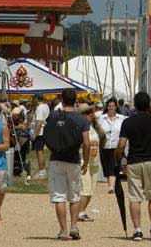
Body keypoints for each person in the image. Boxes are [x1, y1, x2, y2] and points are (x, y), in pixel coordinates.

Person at [117, 92, 151, 241]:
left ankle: (137, 230)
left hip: (134, 161)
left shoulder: (127, 122)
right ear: (148, 104)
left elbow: (121, 145)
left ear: (135, 105)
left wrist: (121, 158)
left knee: (135, 197)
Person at [47, 89, 90, 241]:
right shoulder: (82, 119)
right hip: (73, 159)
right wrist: (85, 161)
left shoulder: (53, 115)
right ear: (75, 100)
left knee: (59, 196)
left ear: (62, 100)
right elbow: (86, 143)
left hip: (56, 158)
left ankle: (63, 230)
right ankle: (74, 226)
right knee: (74, 195)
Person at [99, 98, 126, 194]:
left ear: (116, 107)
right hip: (104, 146)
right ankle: (111, 184)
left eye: (113, 106)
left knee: (113, 166)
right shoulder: (101, 118)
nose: (111, 107)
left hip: (116, 146)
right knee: (106, 167)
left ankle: (111, 187)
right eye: (109, 106)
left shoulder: (122, 118)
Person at [77, 103, 100, 222]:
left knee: (91, 188)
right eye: (88, 113)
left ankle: (82, 211)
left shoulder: (92, 127)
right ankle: (79, 212)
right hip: (83, 160)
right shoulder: (79, 127)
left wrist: (97, 124)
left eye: (91, 112)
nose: (91, 114)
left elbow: (103, 136)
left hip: (94, 160)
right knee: (85, 188)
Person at [31, 94, 50, 180]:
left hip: (40, 132)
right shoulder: (46, 106)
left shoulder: (39, 108)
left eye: (33, 99)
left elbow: (39, 121)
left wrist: (35, 133)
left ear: (36, 99)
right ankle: (42, 171)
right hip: (44, 131)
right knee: (40, 151)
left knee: (39, 152)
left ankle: (41, 171)